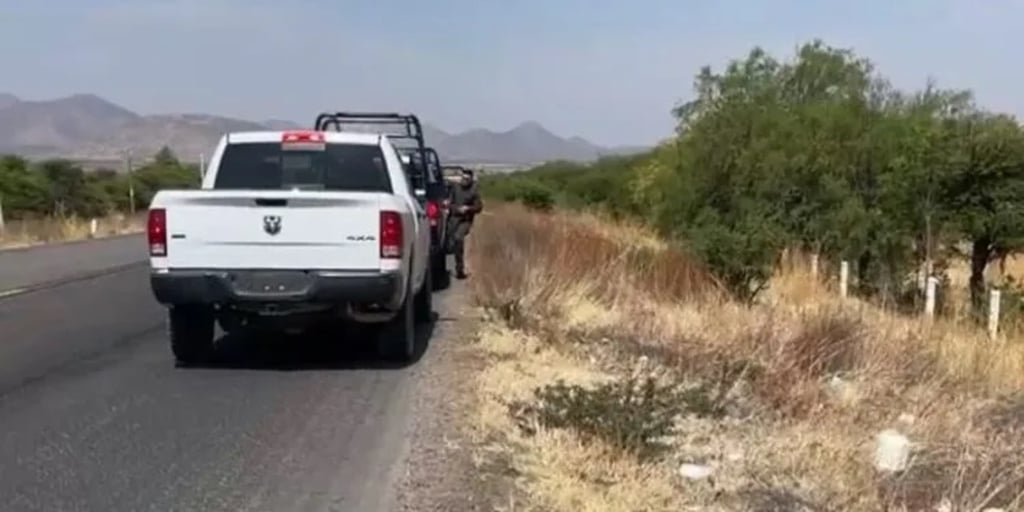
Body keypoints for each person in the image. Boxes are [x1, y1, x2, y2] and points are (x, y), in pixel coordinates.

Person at [446, 168, 483, 279]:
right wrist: (455, 208)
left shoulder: (474, 191)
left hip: (465, 220)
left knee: (458, 238)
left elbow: (479, 207)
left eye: (467, 178)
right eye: (463, 178)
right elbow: (450, 203)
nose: (465, 180)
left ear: (471, 179)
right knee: (451, 244)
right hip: (453, 219)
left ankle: (459, 269)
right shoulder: (455, 188)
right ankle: (452, 266)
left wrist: (468, 209)